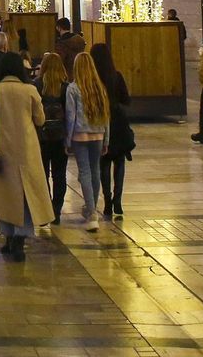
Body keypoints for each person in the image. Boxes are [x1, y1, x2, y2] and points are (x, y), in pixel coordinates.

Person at [0, 52, 54, 261]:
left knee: (5, 197)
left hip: (2, 153)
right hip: (27, 152)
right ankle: (19, 242)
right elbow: (40, 120)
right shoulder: (30, 90)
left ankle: (7, 238)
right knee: (24, 197)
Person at [65, 50, 111, 231]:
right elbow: (107, 116)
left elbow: (71, 116)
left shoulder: (73, 88)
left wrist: (68, 140)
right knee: (95, 171)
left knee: (84, 171)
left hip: (79, 134)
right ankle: (92, 208)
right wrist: (106, 139)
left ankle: (91, 212)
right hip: (98, 133)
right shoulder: (100, 88)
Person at [92, 42, 133, 220]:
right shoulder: (116, 76)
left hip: (100, 120)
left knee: (104, 162)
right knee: (119, 160)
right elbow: (126, 100)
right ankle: (118, 200)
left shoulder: (93, 78)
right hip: (118, 121)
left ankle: (107, 201)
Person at [34, 52, 70, 224]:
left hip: (42, 136)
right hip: (60, 135)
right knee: (59, 174)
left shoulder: (37, 85)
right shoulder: (65, 87)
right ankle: (57, 210)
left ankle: (45, 210)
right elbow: (70, 114)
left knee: (42, 174)